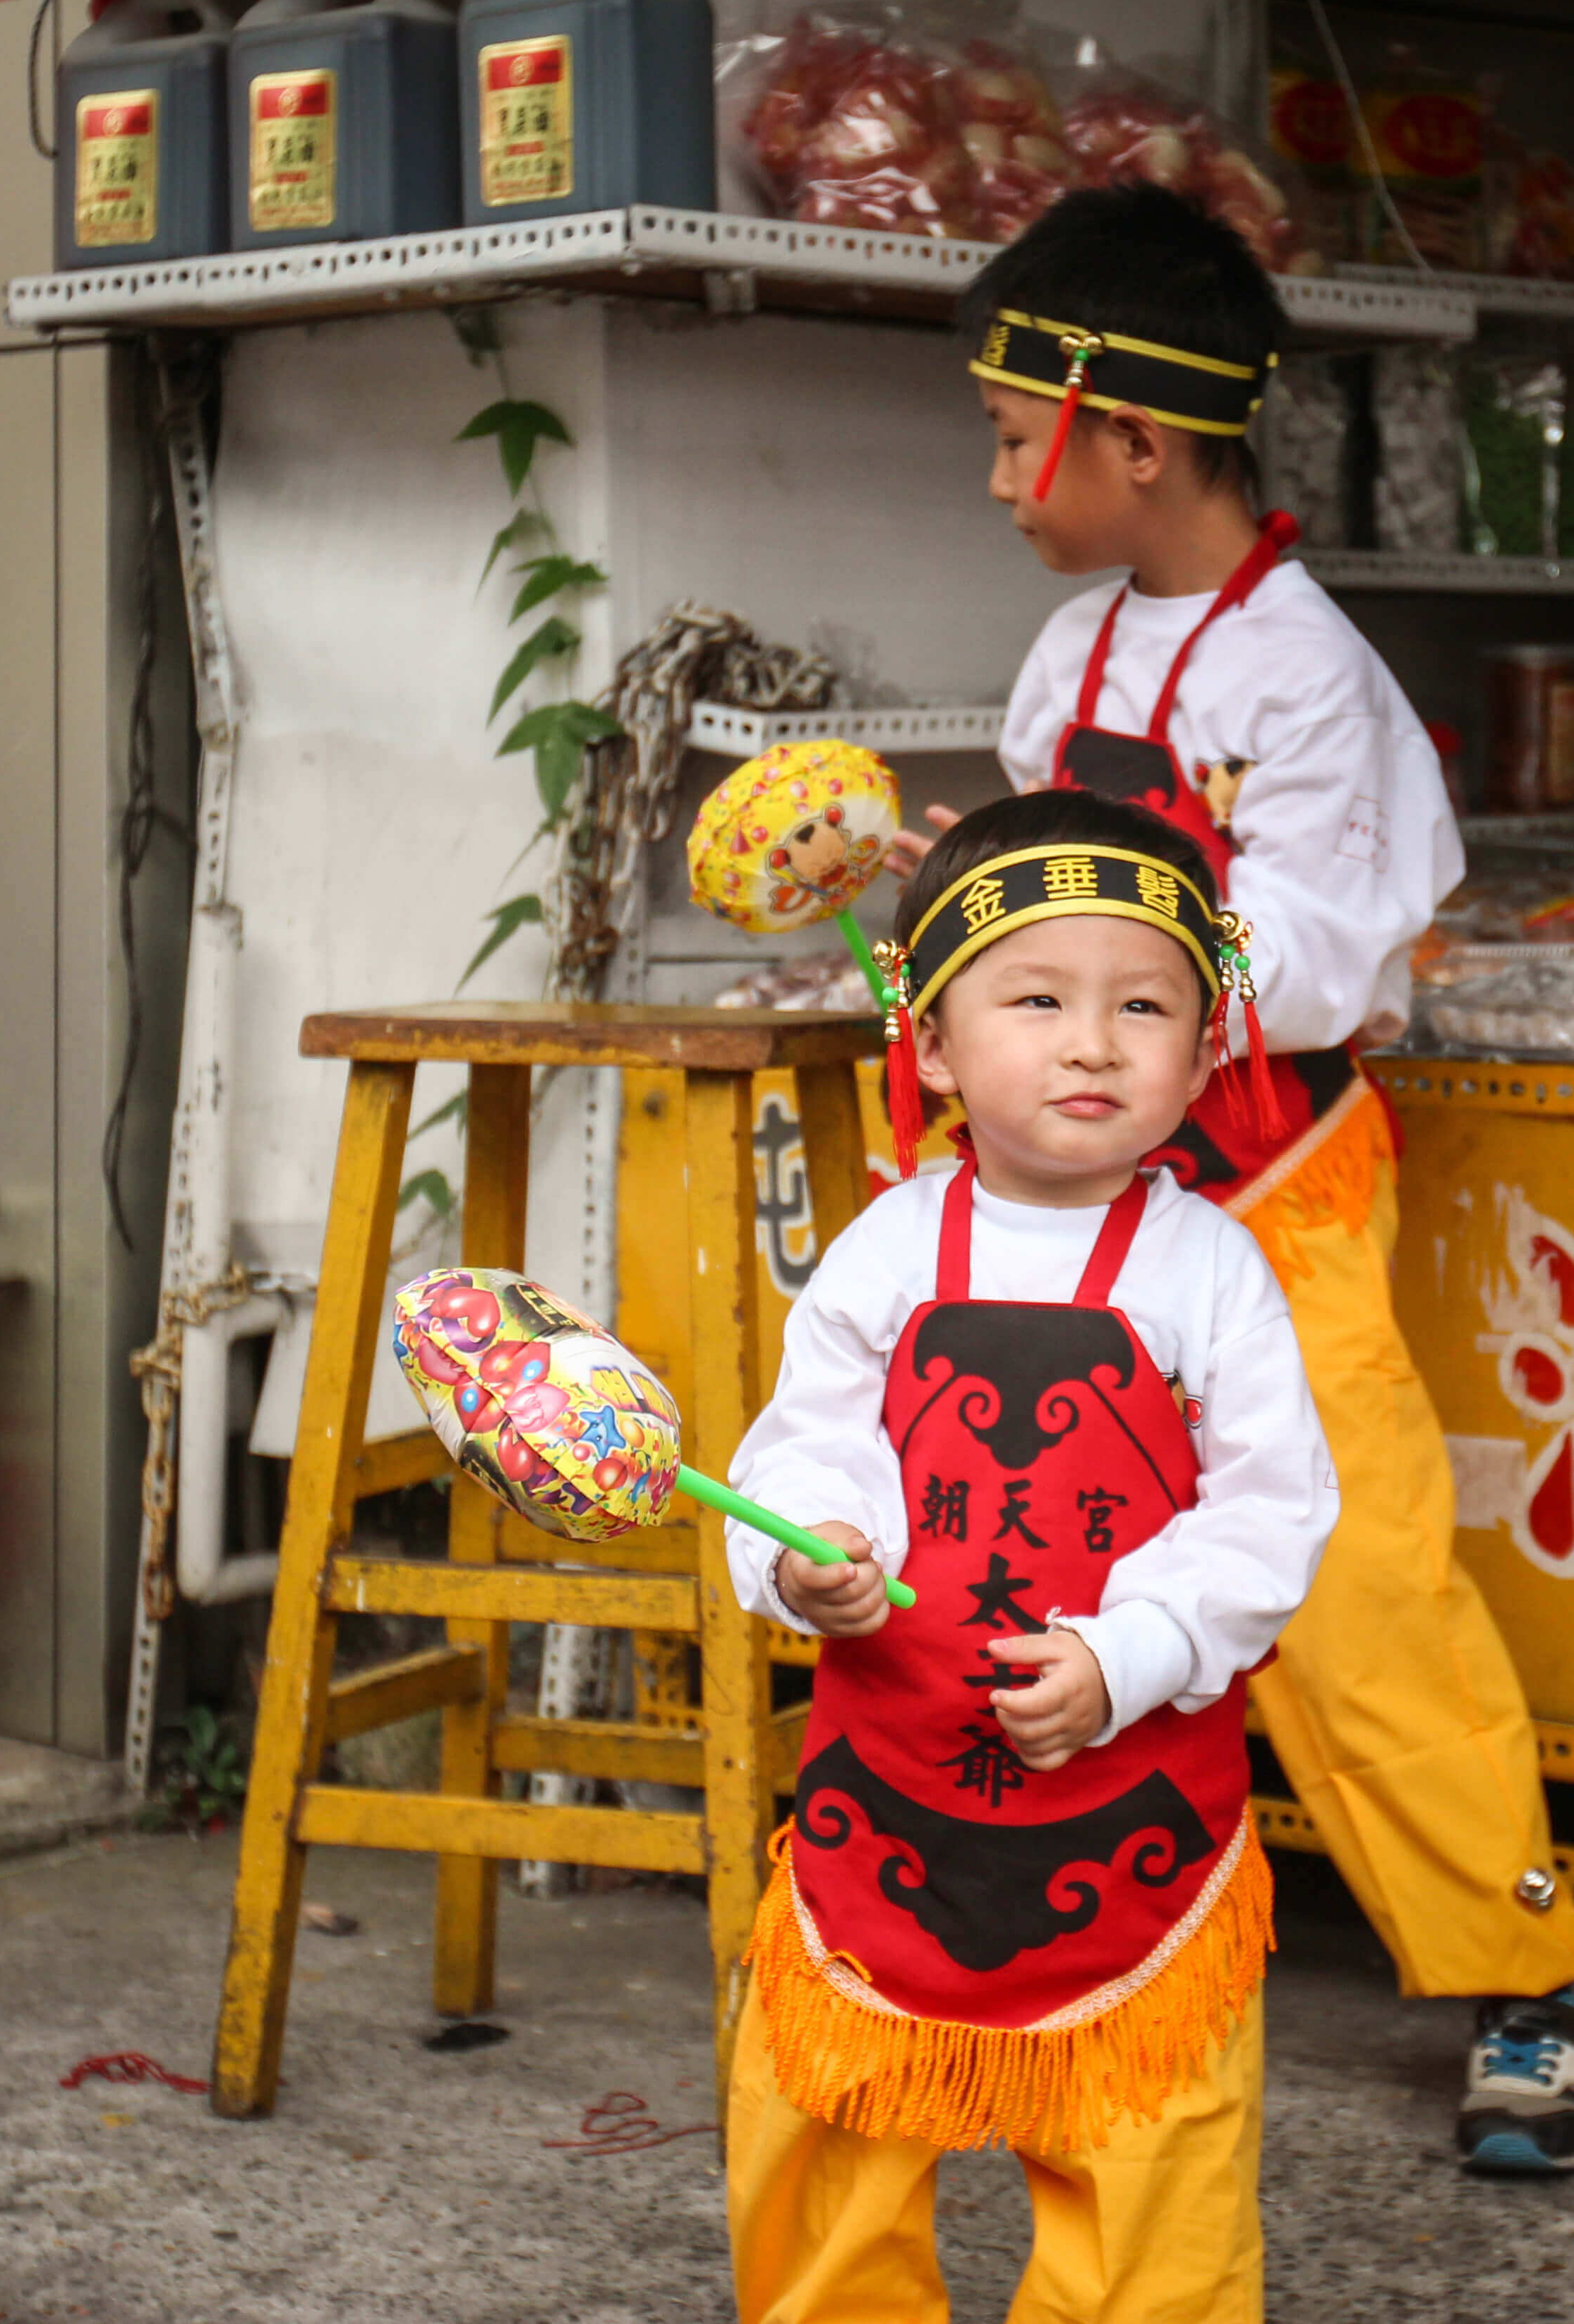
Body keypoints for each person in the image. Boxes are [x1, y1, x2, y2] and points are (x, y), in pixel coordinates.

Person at [888, 184, 1574, 2175]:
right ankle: (1043, 1926)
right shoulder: (1072, 642)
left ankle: (1533, 1964)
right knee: (1037, 1562)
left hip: (1272, 1209)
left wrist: (1095, 962)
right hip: (1064, 1218)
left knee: (1355, 1596)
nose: (999, 475)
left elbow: (1324, 953)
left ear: (1137, 438)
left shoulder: (1307, 681)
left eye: (1020, 436)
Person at [724, 786, 1339, 2324]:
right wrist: (815, 1556)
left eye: (1145, 1007)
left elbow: (1273, 1515)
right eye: (1038, 999)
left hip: (1133, 1816)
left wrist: (1129, 1655)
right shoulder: (884, 1247)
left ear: (1208, 1053)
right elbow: (800, 1448)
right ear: (931, 1042)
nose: (1091, 1044)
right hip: (889, 1802)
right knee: (823, 2147)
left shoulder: (1214, 1270)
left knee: (1154, 2189)